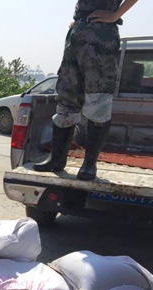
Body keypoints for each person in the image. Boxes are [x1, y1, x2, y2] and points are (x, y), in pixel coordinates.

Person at [34, 0, 139, 181]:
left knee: (98, 99)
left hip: (102, 36)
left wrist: (116, 15)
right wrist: (80, 21)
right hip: (77, 34)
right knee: (67, 97)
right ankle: (57, 160)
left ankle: (89, 164)